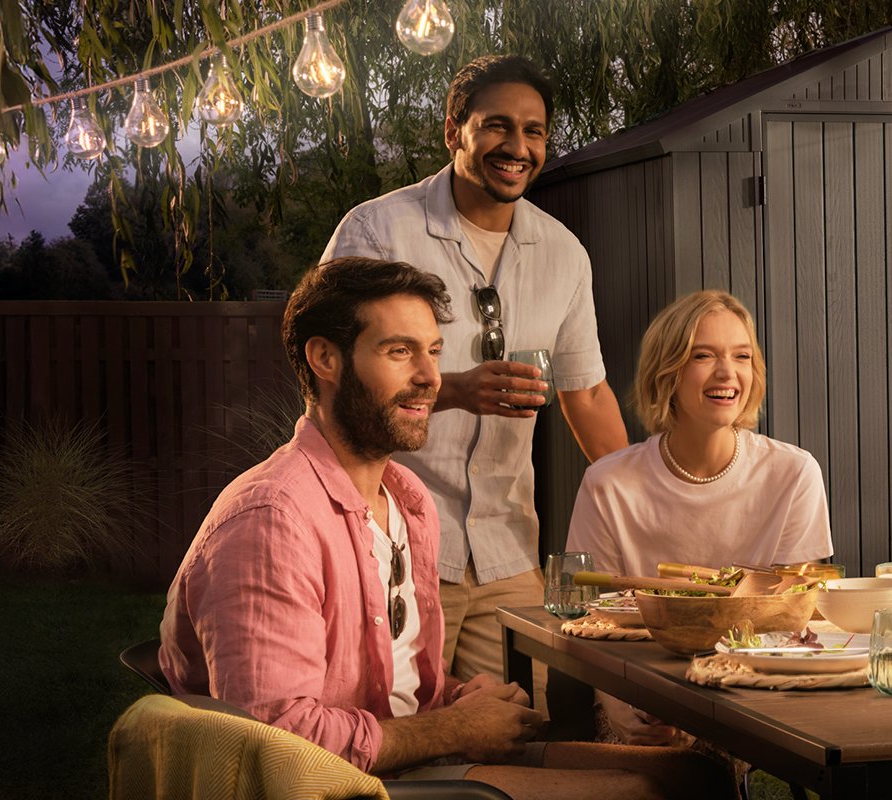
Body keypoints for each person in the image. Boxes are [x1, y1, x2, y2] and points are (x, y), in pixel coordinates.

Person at [158, 258, 730, 799]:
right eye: (400, 351)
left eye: (433, 351)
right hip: (368, 785)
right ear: (325, 360)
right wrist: (456, 730)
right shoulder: (272, 522)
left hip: (420, 756)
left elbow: (405, 683)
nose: (431, 378)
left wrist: (463, 696)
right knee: (643, 794)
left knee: (697, 775)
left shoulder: (407, 501)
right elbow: (279, 744)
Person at [321, 55, 628, 684]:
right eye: (497, 126)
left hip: (507, 550)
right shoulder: (378, 231)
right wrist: (455, 389)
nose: (517, 147)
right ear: (454, 129)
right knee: (396, 727)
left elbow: (588, 392)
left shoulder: (564, 254)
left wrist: (642, 498)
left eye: (535, 131)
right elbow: (333, 377)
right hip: (392, 543)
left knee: (523, 729)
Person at [564, 289, 832, 744]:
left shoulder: (793, 472)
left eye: (742, 356)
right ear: (667, 372)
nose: (728, 372)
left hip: (747, 682)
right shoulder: (607, 482)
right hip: (635, 684)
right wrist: (620, 702)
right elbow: (589, 621)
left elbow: (797, 614)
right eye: (703, 355)